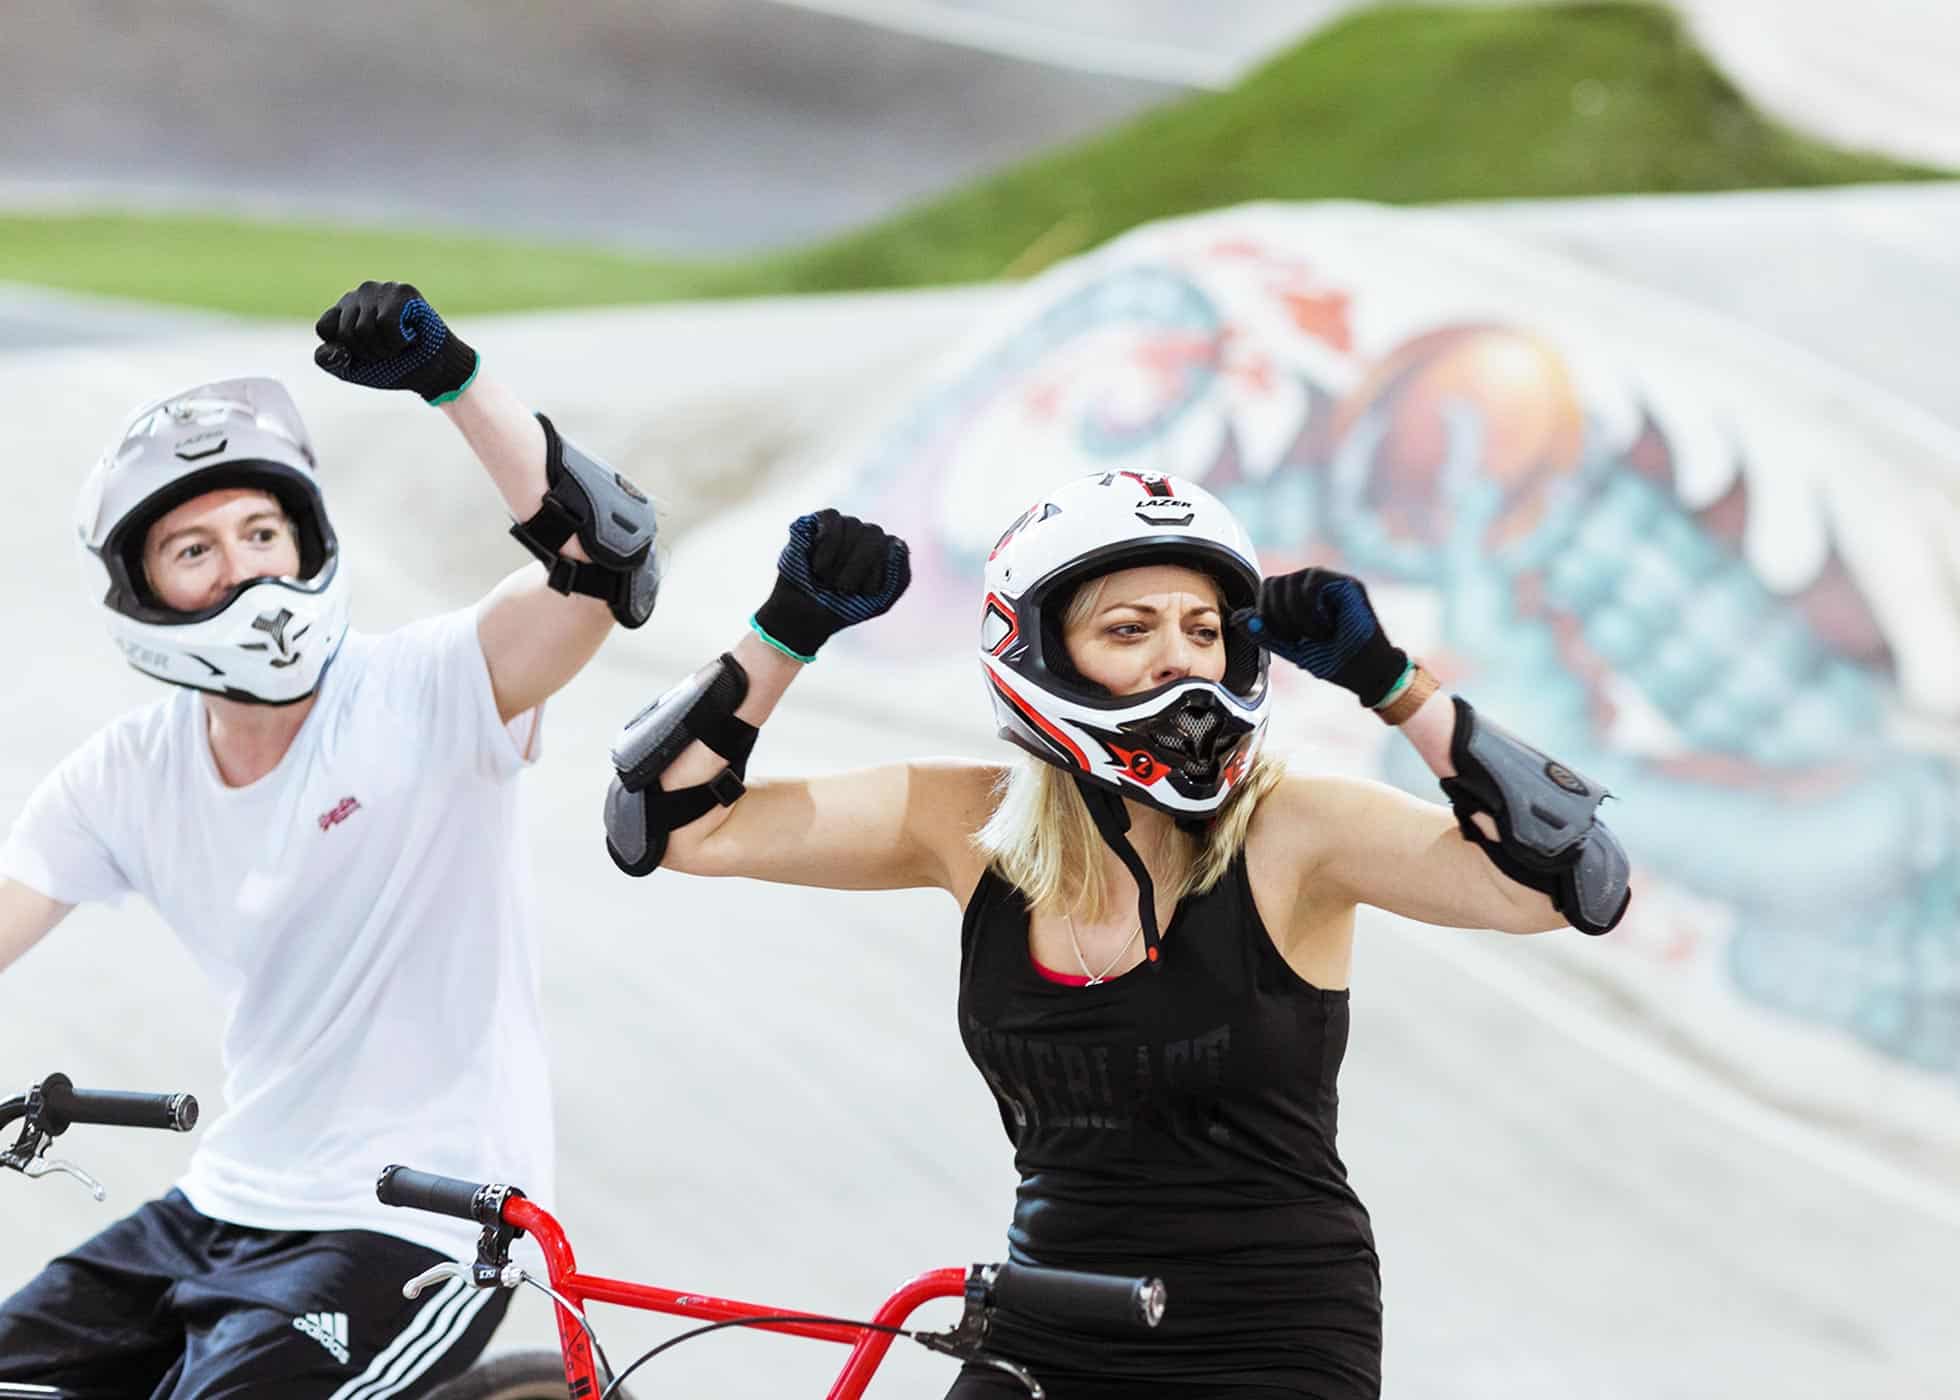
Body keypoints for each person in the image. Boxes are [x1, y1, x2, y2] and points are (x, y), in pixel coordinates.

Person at [602, 470, 1629, 1399]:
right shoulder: (967, 824)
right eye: (1130, 629)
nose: (1179, 659)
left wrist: (1388, 679)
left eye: (1203, 628)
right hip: (1048, 1320)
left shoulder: (1296, 829)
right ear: (1045, 651)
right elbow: (675, 821)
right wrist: (789, 625)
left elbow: (1566, 880)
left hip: (1267, 1334)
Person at [0, 281, 660, 1397]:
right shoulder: (128, 769)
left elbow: (606, 555)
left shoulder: (431, 686)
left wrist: (449, 374)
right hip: (222, 1202)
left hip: (422, 1218)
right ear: (144, 590)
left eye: (262, 530)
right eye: (195, 548)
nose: (245, 564)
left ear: (305, 541)